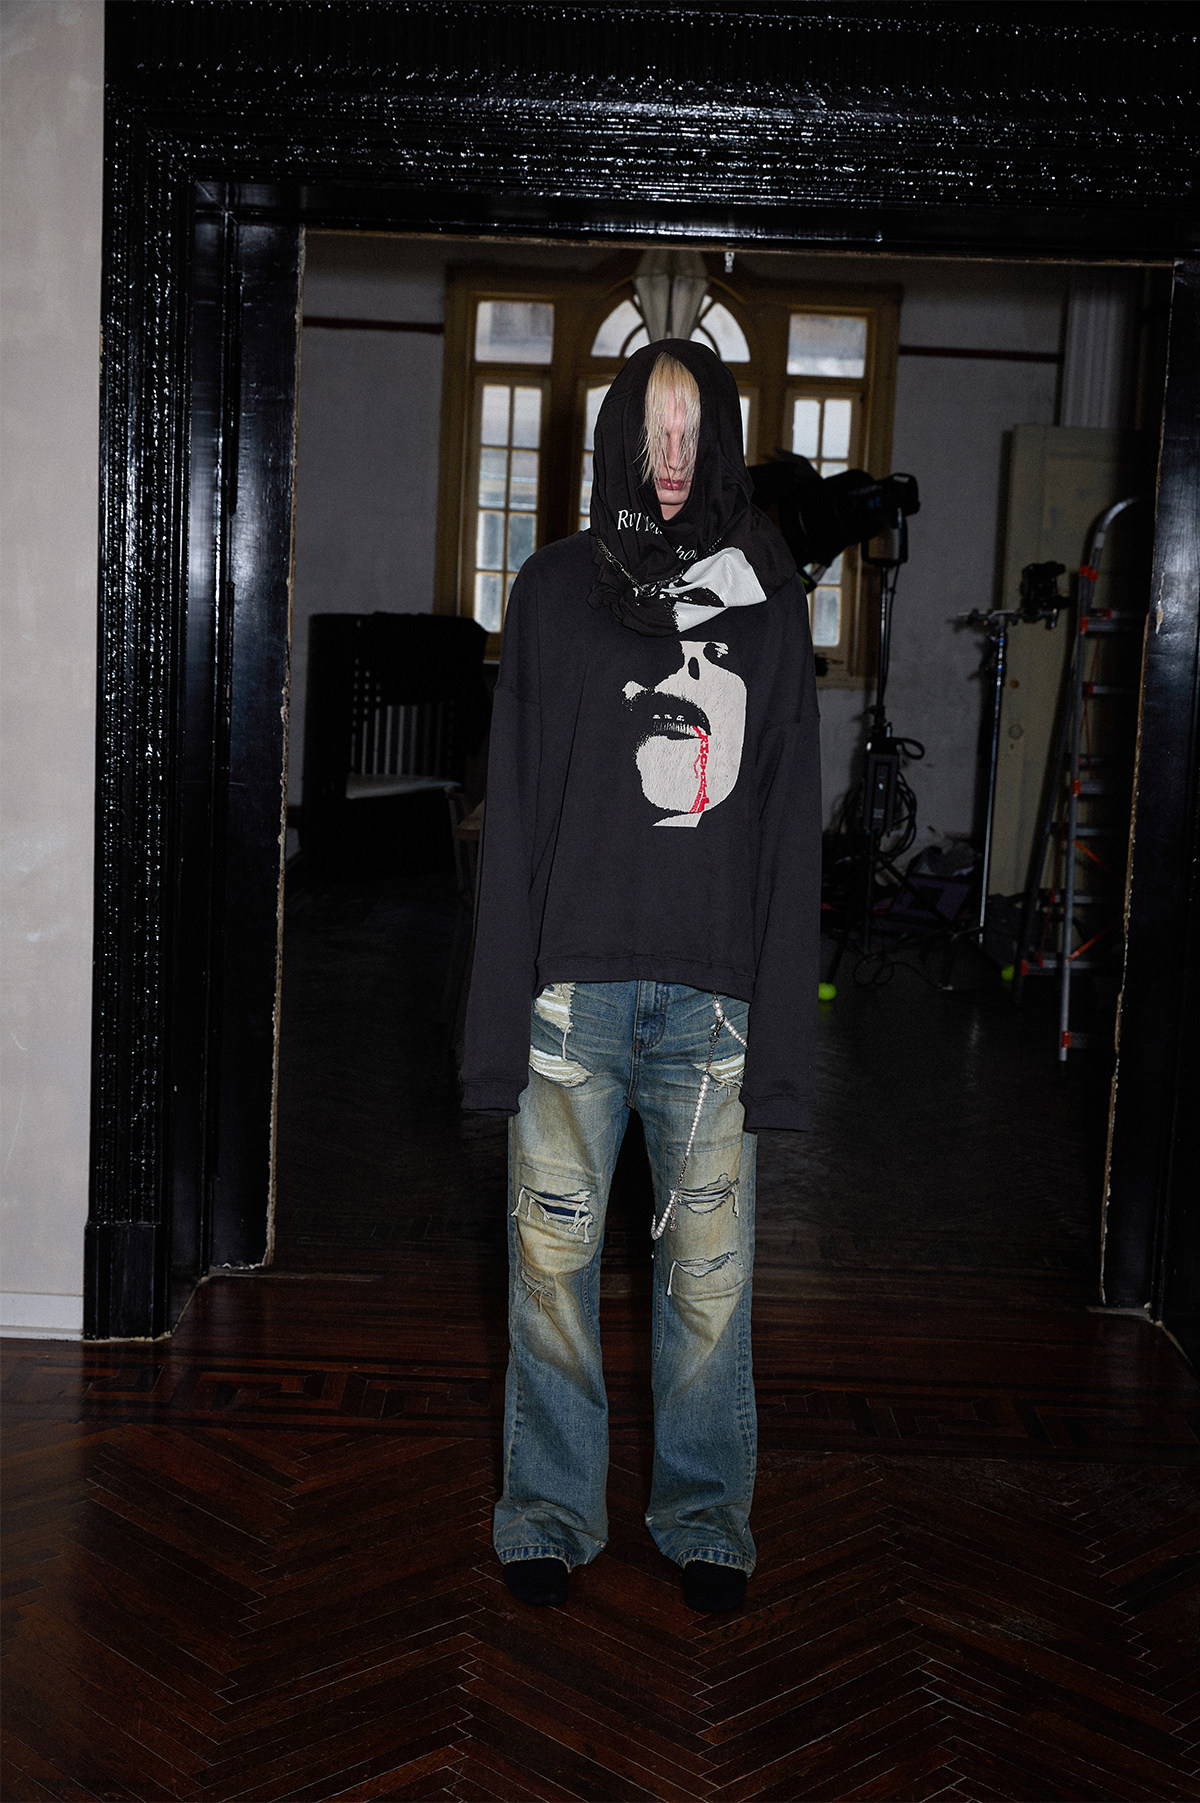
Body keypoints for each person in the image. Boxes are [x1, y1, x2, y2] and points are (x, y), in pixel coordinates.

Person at [460, 337, 821, 1612]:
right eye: (652, 430)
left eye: (693, 430)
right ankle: (550, 1513)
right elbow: (514, 815)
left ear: (719, 439)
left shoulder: (767, 597)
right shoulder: (554, 590)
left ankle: (706, 1518)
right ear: (619, 436)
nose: (671, 458)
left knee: (709, 1286)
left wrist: (783, 1047)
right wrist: (495, 1025)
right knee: (549, 1272)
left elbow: (787, 821)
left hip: (714, 1002)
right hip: (571, 995)